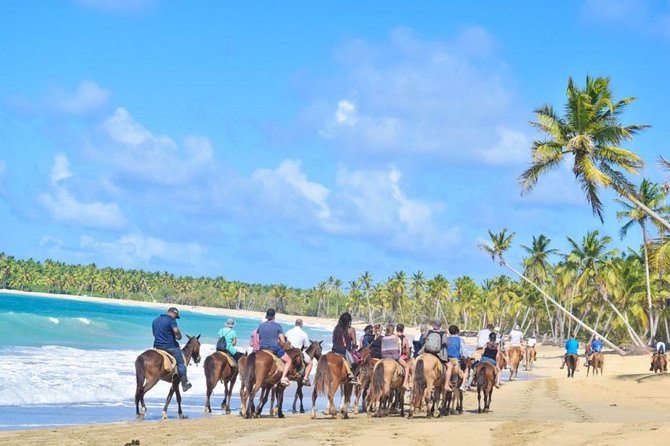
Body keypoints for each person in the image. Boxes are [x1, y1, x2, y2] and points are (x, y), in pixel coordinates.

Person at [152, 307, 192, 392]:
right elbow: (176, 330)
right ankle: (184, 383)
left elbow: (154, 333)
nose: (175, 318)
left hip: (158, 346)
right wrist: (179, 336)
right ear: (173, 313)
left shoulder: (155, 320)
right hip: (170, 347)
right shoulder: (171, 320)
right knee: (181, 363)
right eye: (175, 316)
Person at [258, 308, 292, 386]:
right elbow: (283, 341)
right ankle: (283, 378)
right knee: (289, 360)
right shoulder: (278, 326)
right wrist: (281, 345)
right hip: (273, 348)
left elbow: (258, 339)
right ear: (274, 316)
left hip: (262, 348)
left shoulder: (261, 325)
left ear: (266, 316)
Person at [331, 312, 358, 383]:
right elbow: (354, 343)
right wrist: (354, 347)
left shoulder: (336, 328)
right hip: (343, 351)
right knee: (355, 361)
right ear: (349, 321)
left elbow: (333, 340)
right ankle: (352, 377)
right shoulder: (351, 329)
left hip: (334, 350)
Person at [286, 318, 313, 386]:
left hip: (288, 352)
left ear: (295, 324)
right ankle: (305, 378)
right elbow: (307, 346)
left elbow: (285, 341)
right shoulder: (304, 334)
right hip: (298, 352)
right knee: (310, 363)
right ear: (301, 325)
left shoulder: (288, 332)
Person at [444, 325, 469, 391]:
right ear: (457, 331)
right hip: (455, 359)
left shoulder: (446, 339)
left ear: (449, 331)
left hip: (445, 359)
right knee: (466, 368)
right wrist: (466, 357)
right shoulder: (460, 340)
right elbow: (464, 352)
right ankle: (463, 385)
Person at [396, 324, 412, 391]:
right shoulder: (404, 338)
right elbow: (407, 350)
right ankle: (405, 383)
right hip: (400, 357)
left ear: (396, 329)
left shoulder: (393, 336)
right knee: (407, 367)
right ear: (403, 329)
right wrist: (407, 356)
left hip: (390, 355)